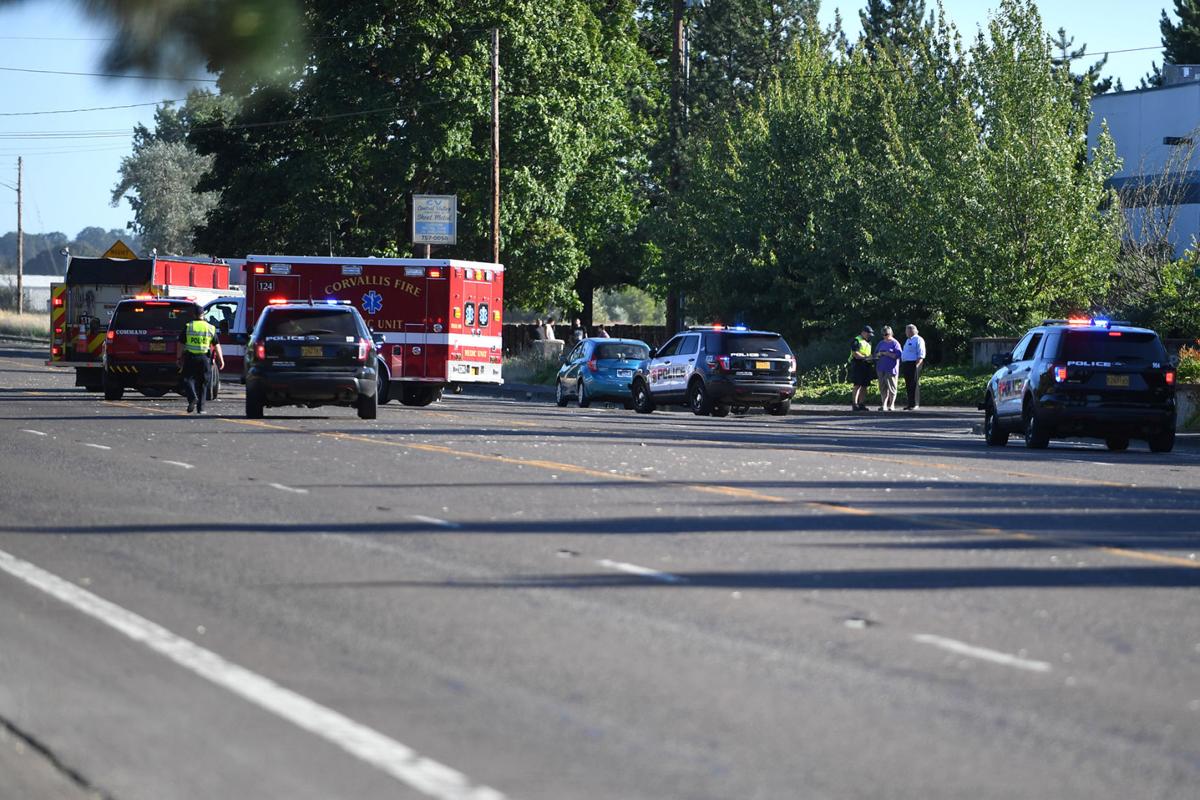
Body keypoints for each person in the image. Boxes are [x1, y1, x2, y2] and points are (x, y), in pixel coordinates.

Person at [180, 316, 224, 414]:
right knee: (203, 383)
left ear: (194, 315)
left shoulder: (189, 326)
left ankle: (192, 398)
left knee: (187, 379)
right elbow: (216, 345)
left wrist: (179, 357)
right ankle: (201, 409)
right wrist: (221, 359)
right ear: (203, 315)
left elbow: (181, 343)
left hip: (191, 357)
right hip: (205, 359)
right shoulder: (210, 327)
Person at [874, 326, 902, 411]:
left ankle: (892, 405)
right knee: (882, 388)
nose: (885, 336)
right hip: (881, 368)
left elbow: (898, 355)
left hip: (891, 369)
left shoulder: (895, 343)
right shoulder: (881, 343)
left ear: (891, 333)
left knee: (892, 388)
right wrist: (879, 354)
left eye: (887, 334)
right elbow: (875, 354)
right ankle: (884, 405)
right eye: (883, 334)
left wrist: (886, 353)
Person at [848, 325, 874, 411]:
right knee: (857, 384)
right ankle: (855, 404)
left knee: (864, 385)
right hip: (858, 364)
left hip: (866, 365)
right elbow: (855, 354)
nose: (869, 335)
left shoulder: (868, 341)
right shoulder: (856, 340)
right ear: (863, 332)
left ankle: (861, 403)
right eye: (868, 334)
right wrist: (866, 357)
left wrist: (871, 358)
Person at [901, 323, 926, 410]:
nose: (906, 332)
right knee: (908, 384)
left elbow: (921, 353)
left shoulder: (918, 339)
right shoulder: (908, 340)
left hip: (914, 364)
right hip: (907, 364)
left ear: (912, 330)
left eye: (907, 330)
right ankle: (910, 404)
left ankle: (915, 404)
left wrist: (917, 365)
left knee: (914, 384)